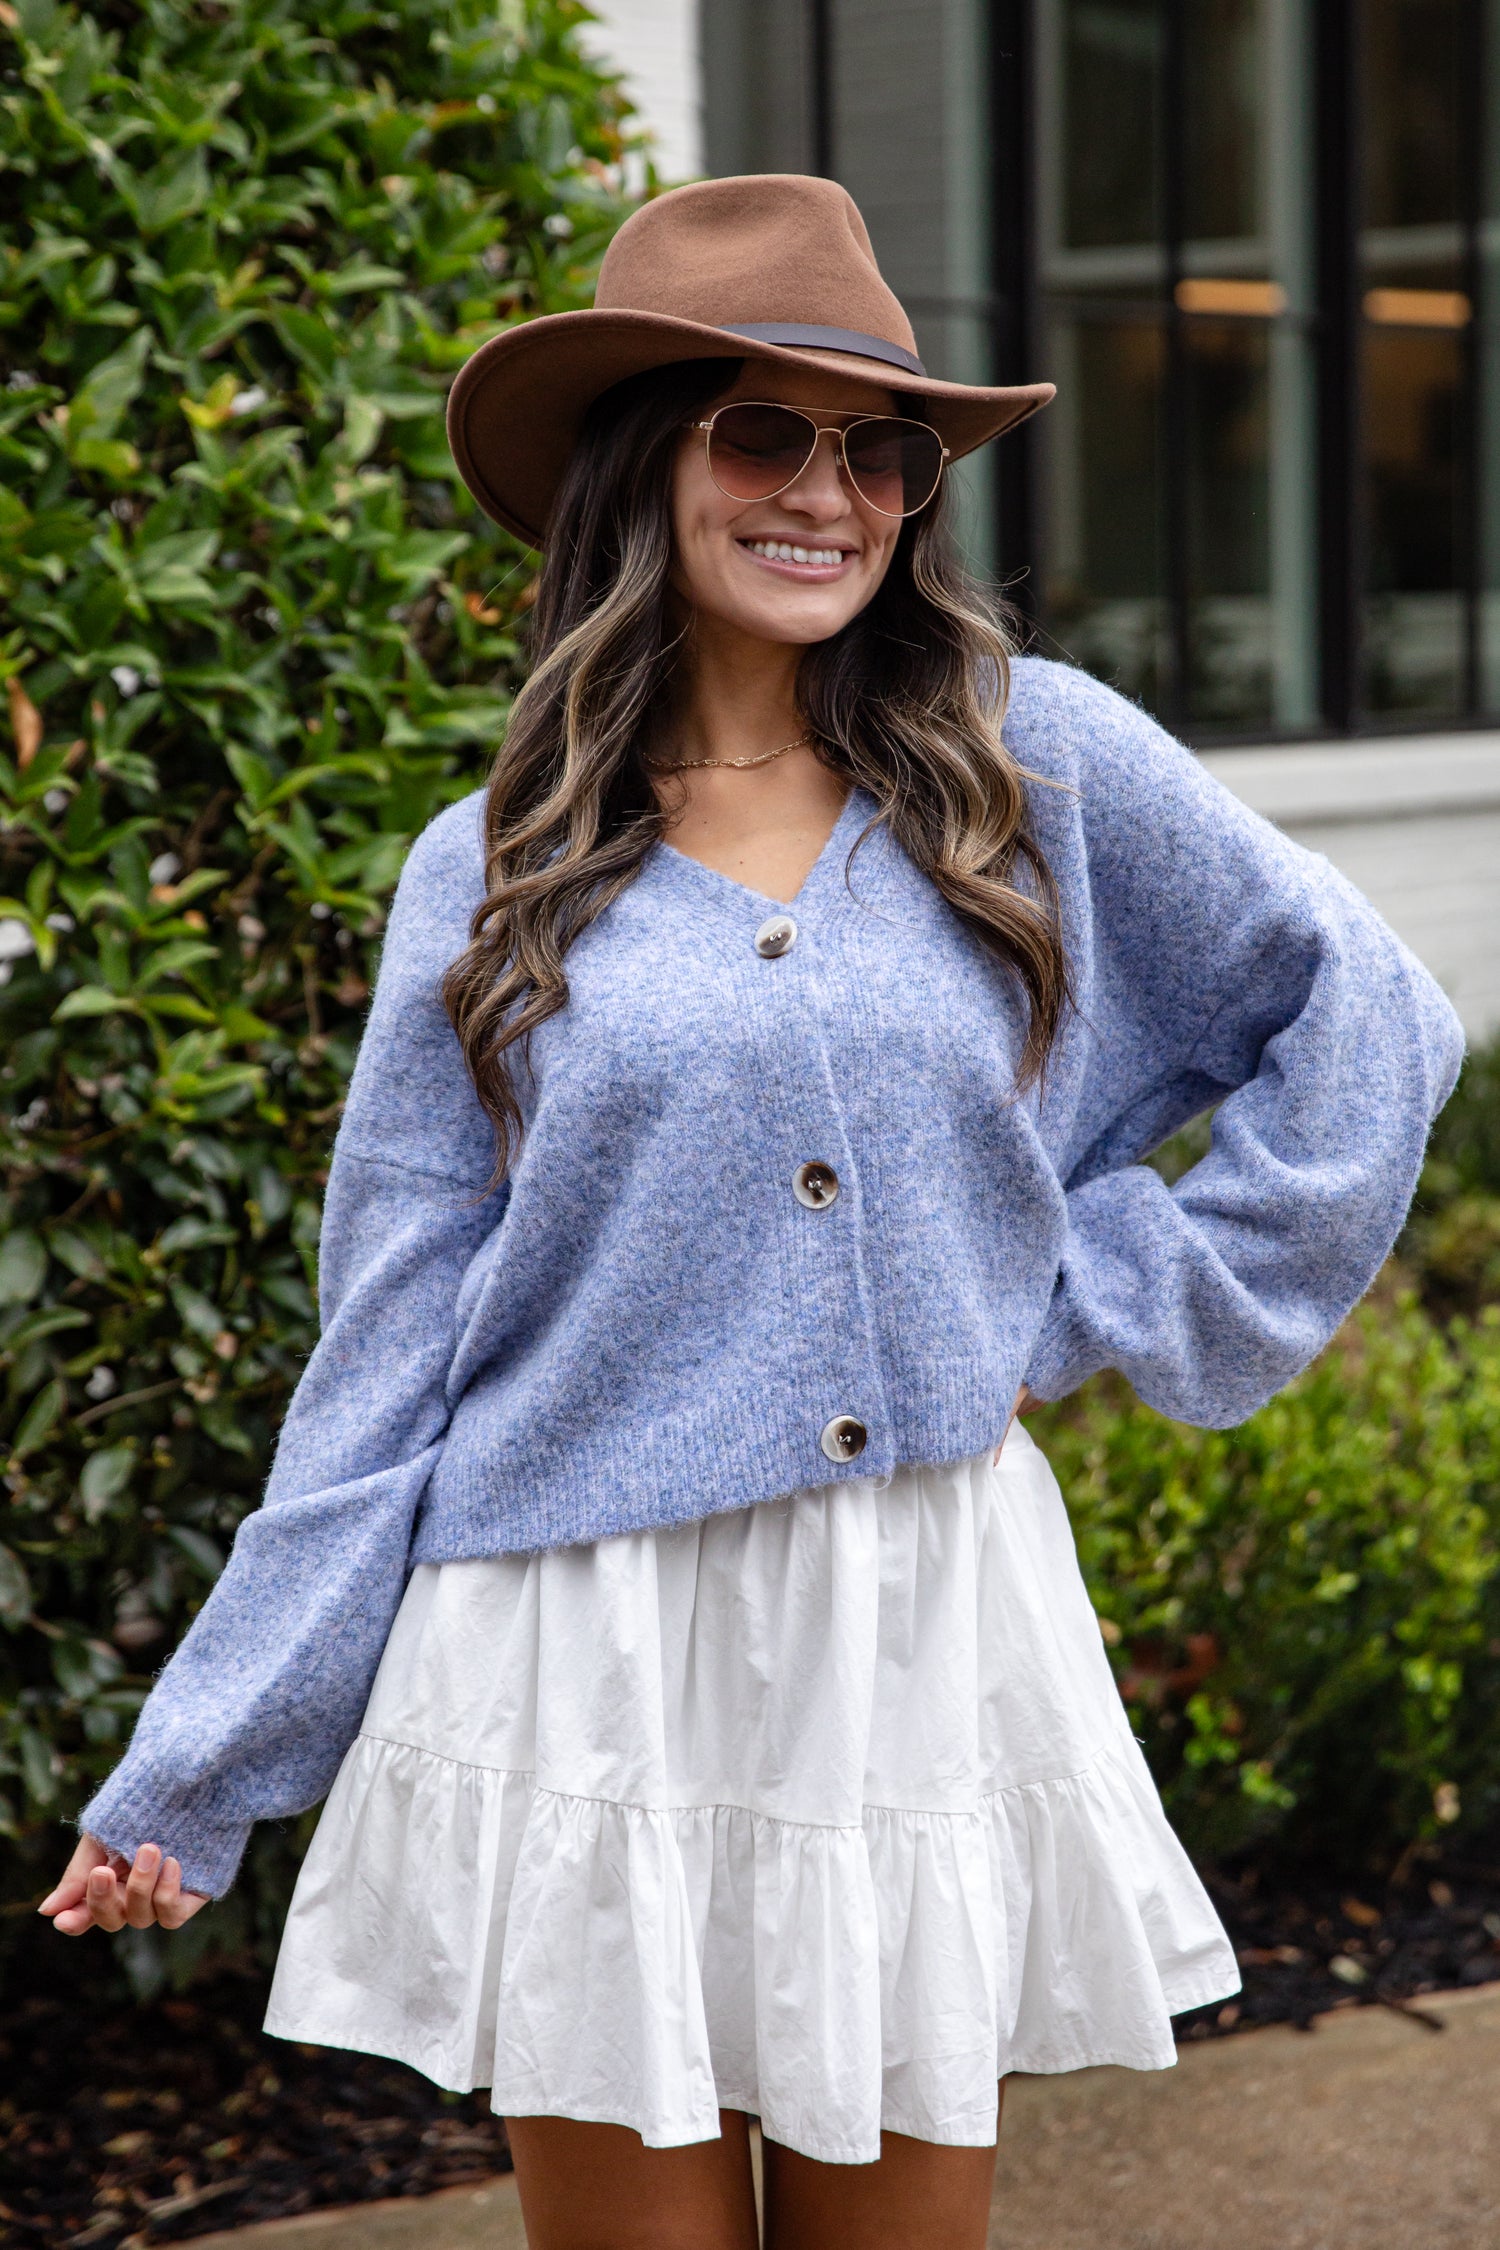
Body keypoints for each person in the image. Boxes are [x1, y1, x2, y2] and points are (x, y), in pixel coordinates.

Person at [42, 175, 1463, 2250]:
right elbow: (396, 1337)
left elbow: (1370, 1026)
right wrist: (207, 1755)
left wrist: (1075, 1295)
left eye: (880, 449)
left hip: (905, 1635)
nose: (834, 492)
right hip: (579, 1658)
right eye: (764, 432)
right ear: (644, 463)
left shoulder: (1026, 763)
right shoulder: (499, 862)